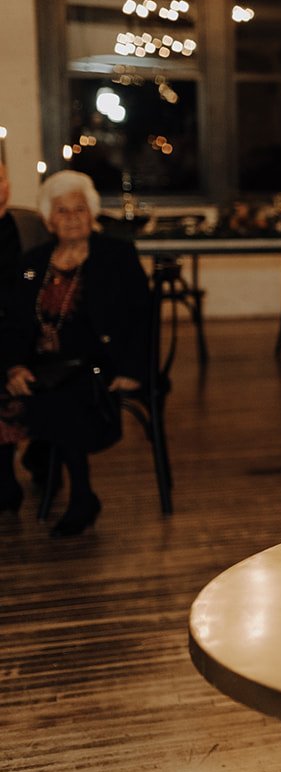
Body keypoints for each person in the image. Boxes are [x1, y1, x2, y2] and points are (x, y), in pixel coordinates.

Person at [2, 171, 150, 534]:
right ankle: (7, 483)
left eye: (79, 209)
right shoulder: (34, 263)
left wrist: (133, 367)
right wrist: (14, 366)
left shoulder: (115, 255)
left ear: (92, 213)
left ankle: (82, 495)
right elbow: (16, 324)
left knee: (62, 395)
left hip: (99, 363)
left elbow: (143, 318)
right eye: (62, 211)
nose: (71, 218)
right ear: (48, 220)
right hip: (44, 364)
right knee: (10, 387)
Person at [0, 162, 50, 506]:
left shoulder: (31, 226)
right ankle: (4, 470)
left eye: (0, 177)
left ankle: (43, 452)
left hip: (26, 331)